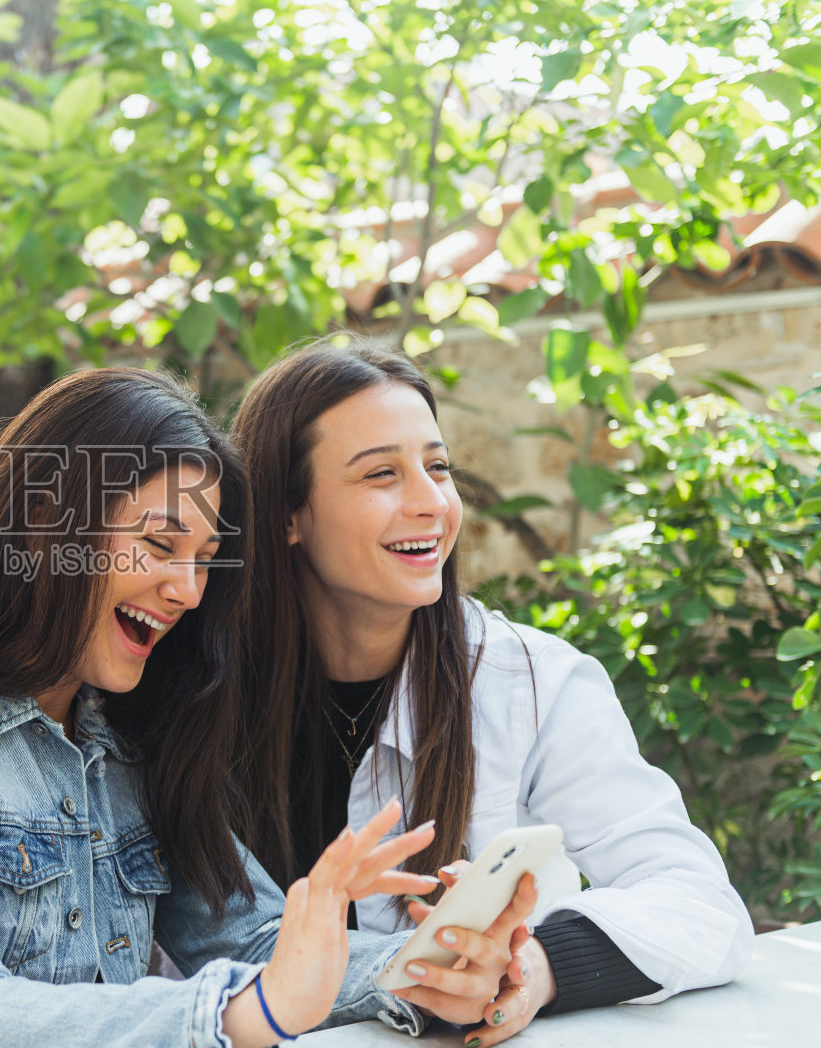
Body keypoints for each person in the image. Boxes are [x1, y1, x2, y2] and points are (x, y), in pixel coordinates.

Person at [0, 367, 531, 1047]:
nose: (187, 591)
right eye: (159, 545)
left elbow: (253, 941)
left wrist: (431, 964)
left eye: (203, 561)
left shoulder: (128, 737)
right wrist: (239, 1013)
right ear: (49, 526)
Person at [229, 341, 754, 1048]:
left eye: (438, 467)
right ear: (287, 515)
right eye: (382, 473)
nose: (430, 503)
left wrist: (532, 966)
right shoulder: (200, 701)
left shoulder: (532, 681)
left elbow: (700, 904)